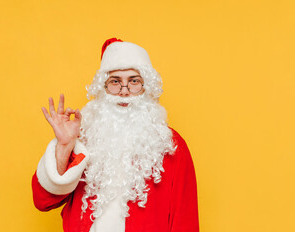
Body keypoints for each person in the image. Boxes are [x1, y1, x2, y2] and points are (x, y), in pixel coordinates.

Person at [32, 38, 199, 232]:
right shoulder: (85, 139)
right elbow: (42, 201)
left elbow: (185, 222)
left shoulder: (171, 145)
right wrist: (64, 146)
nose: (124, 92)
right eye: (115, 82)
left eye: (134, 81)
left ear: (147, 87)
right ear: (103, 88)